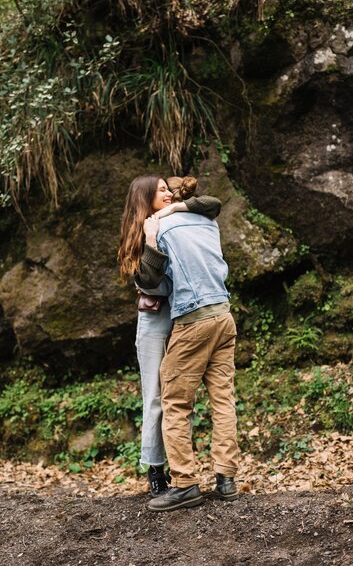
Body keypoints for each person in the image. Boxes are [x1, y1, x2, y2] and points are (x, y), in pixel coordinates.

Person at [118, 174, 221, 498]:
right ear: (144, 198)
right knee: (156, 396)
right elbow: (148, 282)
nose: (167, 193)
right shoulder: (141, 233)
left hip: (182, 315)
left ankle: (183, 472)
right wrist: (150, 237)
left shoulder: (171, 219)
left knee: (180, 395)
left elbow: (212, 204)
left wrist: (167, 212)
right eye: (160, 191)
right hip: (153, 320)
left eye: (167, 188)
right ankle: (155, 470)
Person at [137, 188, 239, 512]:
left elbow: (149, 282)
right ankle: (226, 479)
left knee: (175, 401)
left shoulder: (161, 228)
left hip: (193, 320)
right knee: (222, 398)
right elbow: (214, 202)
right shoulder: (206, 220)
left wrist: (151, 239)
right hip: (223, 315)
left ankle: (184, 484)